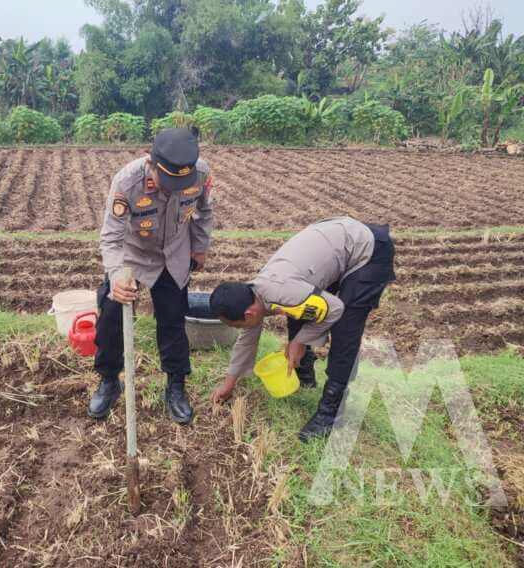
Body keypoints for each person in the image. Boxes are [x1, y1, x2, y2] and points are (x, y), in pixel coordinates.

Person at [209, 216, 396, 442]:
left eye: (237, 325)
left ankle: (330, 413)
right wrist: (229, 384)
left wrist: (299, 341)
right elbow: (247, 340)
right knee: (300, 309)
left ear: (249, 314)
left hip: (367, 250)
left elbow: (335, 309)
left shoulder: (279, 291)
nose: (242, 329)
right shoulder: (253, 294)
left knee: (345, 328)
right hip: (335, 242)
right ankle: (304, 374)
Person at [89, 128, 214, 424]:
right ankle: (109, 380)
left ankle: (176, 385)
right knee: (111, 317)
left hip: (174, 253)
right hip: (134, 255)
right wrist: (117, 275)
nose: (172, 189)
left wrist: (199, 247)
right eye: (167, 182)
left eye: (180, 184)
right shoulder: (127, 182)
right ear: (150, 162)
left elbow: (204, 211)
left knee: (173, 320)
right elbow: (111, 237)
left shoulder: (200, 173)